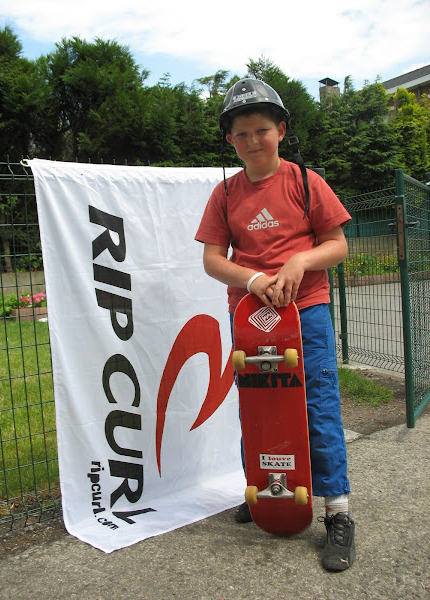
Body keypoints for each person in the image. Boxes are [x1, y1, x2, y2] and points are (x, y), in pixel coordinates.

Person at [195, 78, 355, 571]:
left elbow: (338, 245)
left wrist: (299, 262)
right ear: (229, 141)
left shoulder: (305, 182)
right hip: (251, 319)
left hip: (306, 312)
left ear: (281, 130)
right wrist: (254, 277)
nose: (251, 142)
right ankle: (265, 495)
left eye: (261, 130)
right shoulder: (225, 194)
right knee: (258, 407)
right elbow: (212, 260)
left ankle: (337, 513)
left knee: (316, 404)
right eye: (241, 135)